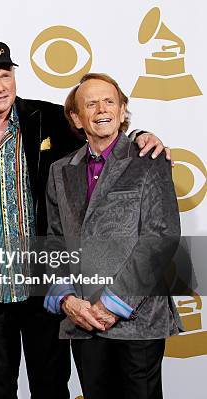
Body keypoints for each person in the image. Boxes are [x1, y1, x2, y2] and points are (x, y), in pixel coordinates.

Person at [0, 41, 170, 398]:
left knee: (51, 385)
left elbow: (105, 135)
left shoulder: (49, 119)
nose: (0, 86)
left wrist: (143, 136)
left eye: (6, 75)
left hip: (47, 284)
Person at [44, 72, 182, 399]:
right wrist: (67, 299)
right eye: (90, 104)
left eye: (109, 101)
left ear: (122, 112)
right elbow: (54, 241)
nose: (101, 109)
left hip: (138, 320)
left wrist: (112, 303)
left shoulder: (148, 159)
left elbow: (160, 238)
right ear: (77, 118)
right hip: (83, 320)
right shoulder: (60, 170)